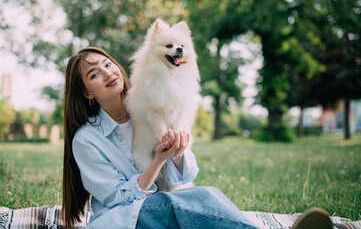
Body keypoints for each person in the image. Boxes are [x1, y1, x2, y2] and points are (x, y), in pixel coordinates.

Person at [62, 47, 333, 229]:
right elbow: (119, 199)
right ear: (87, 93)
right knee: (186, 203)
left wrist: (177, 150)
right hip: (123, 220)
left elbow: (185, 173)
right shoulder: (87, 140)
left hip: (159, 210)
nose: (108, 73)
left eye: (108, 64)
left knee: (204, 197)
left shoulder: (151, 109)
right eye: (94, 73)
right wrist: (158, 160)